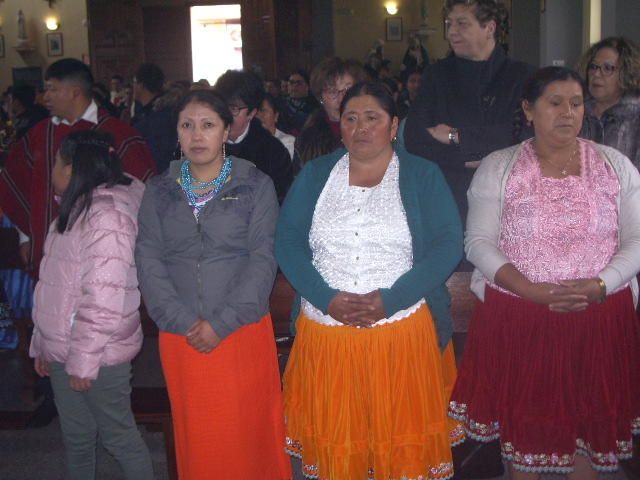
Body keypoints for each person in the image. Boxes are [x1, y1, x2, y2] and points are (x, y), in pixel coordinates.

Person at [449, 66, 640, 480]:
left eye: (576, 103)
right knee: (526, 445)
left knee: (587, 438)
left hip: (598, 317)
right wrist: (531, 290)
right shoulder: (500, 168)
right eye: (555, 103)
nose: (567, 113)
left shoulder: (615, 166)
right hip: (521, 318)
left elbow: (637, 239)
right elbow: (478, 242)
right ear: (528, 109)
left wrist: (599, 284)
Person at [275, 81, 464, 479]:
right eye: (351, 118)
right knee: (340, 455)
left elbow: (447, 244)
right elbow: (287, 241)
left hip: (400, 334)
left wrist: (392, 300)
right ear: (339, 126)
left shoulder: (422, 174)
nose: (360, 127)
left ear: (394, 125)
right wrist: (325, 297)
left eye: (372, 118)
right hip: (327, 334)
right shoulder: (315, 174)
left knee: (398, 455)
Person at [135, 89, 291, 480]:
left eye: (208, 125)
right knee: (199, 439)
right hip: (181, 332)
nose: (196, 135)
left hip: (240, 329)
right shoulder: (159, 189)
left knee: (246, 437)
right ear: (177, 133)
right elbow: (148, 257)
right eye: (187, 126)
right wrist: (178, 317)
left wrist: (220, 323)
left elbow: (262, 259)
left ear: (226, 131)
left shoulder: (255, 184)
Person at [30, 130, 153, 480]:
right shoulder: (72, 210)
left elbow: (104, 298)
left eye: (56, 161)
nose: (52, 168)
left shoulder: (107, 217)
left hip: (99, 354)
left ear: (70, 169)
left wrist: (83, 362)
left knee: (119, 437)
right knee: (77, 440)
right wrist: (43, 342)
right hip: (64, 350)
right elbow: (52, 288)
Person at [0, 58, 156, 278]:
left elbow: (146, 194)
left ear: (74, 92)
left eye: (52, 89)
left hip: (108, 257)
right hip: (49, 253)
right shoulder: (41, 135)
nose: (46, 97)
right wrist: (26, 236)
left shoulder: (119, 134)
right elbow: (16, 180)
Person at [404, 0, 534, 228]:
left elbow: (524, 137)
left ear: (490, 27)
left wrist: (457, 135)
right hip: (449, 199)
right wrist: (469, 159)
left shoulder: (520, 76)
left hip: (507, 202)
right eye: (449, 24)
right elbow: (416, 140)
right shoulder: (437, 75)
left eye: (462, 23)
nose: (452, 32)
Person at [213, 69, 293, 202]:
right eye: (221, 107)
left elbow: (280, 201)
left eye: (233, 109)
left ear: (252, 113)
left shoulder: (273, 151)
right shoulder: (201, 143)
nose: (224, 115)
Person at [579, 36, 640, 170]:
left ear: (627, 73)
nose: (596, 74)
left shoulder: (635, 116)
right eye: (593, 67)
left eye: (607, 68)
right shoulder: (577, 111)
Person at [295, 57, 367, 166]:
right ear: (320, 97)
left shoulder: (374, 129)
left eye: (348, 90)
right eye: (332, 91)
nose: (341, 98)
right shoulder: (308, 139)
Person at [131, 63, 177, 173]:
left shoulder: (160, 117)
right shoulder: (148, 112)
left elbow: (158, 157)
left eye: (134, 82)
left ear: (141, 85)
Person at [278, 69, 320, 136]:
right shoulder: (280, 105)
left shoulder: (316, 107)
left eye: (299, 83)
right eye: (291, 82)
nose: (294, 86)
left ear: (307, 86)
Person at [256, 93, 295, 159]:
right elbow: (232, 167)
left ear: (276, 116)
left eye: (263, 110)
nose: (258, 116)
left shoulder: (287, 142)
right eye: (255, 112)